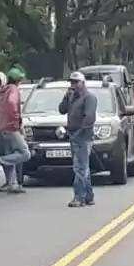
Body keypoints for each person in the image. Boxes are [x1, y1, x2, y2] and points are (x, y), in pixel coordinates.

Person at [0, 68, 30, 193]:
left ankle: (11, 184)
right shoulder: (13, 90)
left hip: (1, 127)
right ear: (17, 79)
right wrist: (16, 122)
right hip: (11, 127)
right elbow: (12, 104)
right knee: (25, 153)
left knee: (9, 152)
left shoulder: (2, 90)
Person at [58, 72, 97, 207]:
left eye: (76, 82)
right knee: (83, 167)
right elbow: (61, 110)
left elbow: (89, 118)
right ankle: (89, 196)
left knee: (79, 167)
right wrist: (66, 96)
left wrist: (80, 133)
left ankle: (79, 197)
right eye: (71, 82)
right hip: (73, 135)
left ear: (82, 83)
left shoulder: (89, 98)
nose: (73, 85)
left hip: (83, 136)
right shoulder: (72, 97)